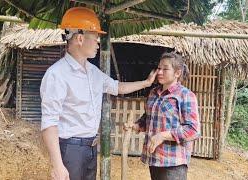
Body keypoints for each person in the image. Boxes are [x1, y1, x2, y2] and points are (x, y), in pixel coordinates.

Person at [40, 7, 157, 180]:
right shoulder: (56, 74)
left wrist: (146, 83)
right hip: (70, 149)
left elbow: (118, 88)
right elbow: (49, 122)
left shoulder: (93, 72)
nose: (98, 44)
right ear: (80, 38)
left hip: (91, 147)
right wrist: (57, 164)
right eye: (95, 38)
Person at [131, 52, 200, 180]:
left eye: (165, 69)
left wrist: (163, 136)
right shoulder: (153, 93)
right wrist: (137, 125)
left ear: (177, 73)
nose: (160, 72)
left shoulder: (185, 95)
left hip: (173, 162)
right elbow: (149, 117)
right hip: (154, 158)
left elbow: (193, 130)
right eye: (159, 68)